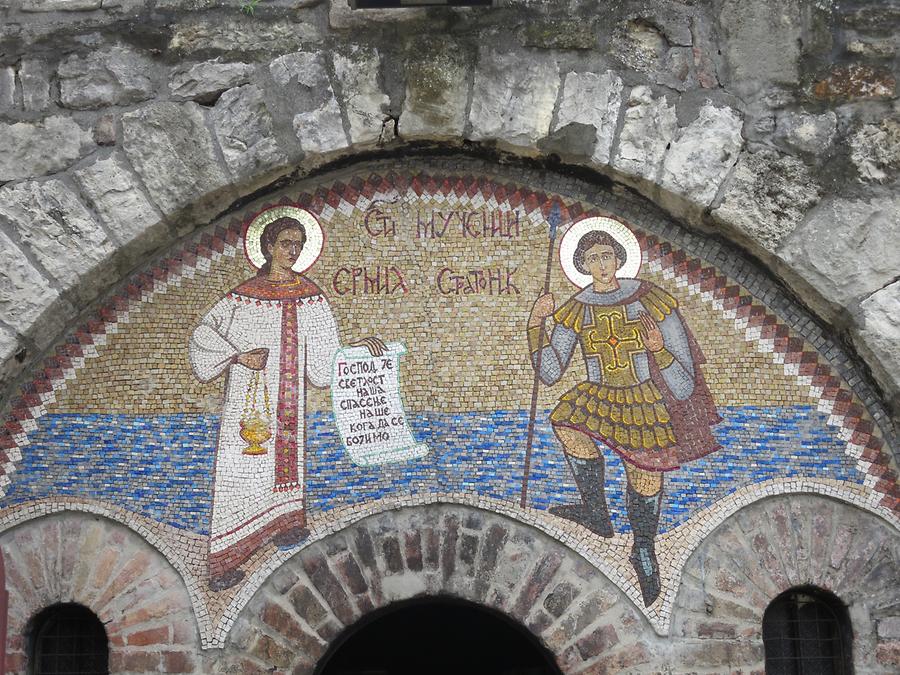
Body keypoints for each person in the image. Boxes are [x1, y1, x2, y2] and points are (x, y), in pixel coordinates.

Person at [190, 210, 384, 591]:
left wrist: (358, 350)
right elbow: (202, 334)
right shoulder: (242, 297)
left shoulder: (311, 296)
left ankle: (284, 525)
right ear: (267, 246)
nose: (292, 251)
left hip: (290, 403)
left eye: (298, 245)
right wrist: (237, 356)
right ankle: (225, 559)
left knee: (287, 463)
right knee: (241, 471)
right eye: (285, 244)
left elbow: (325, 362)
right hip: (248, 403)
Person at [527, 226, 720, 606]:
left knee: (644, 474)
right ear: (581, 265)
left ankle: (643, 549)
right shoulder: (577, 309)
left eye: (606, 255)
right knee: (566, 423)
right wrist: (535, 324)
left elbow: (683, 384)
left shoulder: (651, 301)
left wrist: (658, 349)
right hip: (599, 395)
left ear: (619, 258)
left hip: (643, 398)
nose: (601, 265)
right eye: (592, 258)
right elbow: (550, 371)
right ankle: (596, 511)